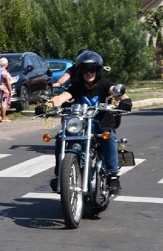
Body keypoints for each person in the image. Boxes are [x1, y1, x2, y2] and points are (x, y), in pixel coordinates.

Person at [44, 50, 132, 194]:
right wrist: (49, 105)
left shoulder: (104, 84)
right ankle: (60, 174)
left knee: (108, 134)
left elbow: (116, 91)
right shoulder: (77, 86)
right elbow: (62, 97)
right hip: (81, 125)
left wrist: (125, 101)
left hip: (101, 124)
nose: (88, 73)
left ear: (97, 71)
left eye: (92, 70)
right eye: (85, 70)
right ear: (80, 71)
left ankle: (113, 175)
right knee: (61, 137)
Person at [0, 56, 12, 122]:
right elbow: (8, 82)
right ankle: (3, 117)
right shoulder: (5, 72)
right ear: (6, 64)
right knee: (4, 103)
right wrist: (10, 90)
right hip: (4, 89)